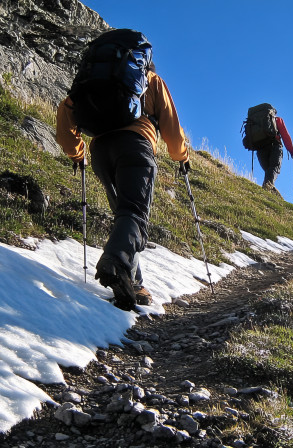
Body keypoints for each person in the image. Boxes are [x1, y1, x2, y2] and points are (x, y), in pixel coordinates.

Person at [55, 61, 190, 311]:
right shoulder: (152, 80)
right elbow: (171, 128)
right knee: (134, 214)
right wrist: (181, 156)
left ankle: (134, 284)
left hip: (100, 152)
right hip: (136, 146)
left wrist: (77, 154)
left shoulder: (93, 82)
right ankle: (114, 262)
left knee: (125, 216)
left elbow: (65, 126)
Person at [243, 103, 293, 195]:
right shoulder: (277, 120)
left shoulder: (254, 122)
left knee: (268, 170)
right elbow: (285, 136)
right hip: (274, 146)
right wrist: (291, 151)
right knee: (274, 168)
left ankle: (270, 190)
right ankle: (267, 189)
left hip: (260, 148)